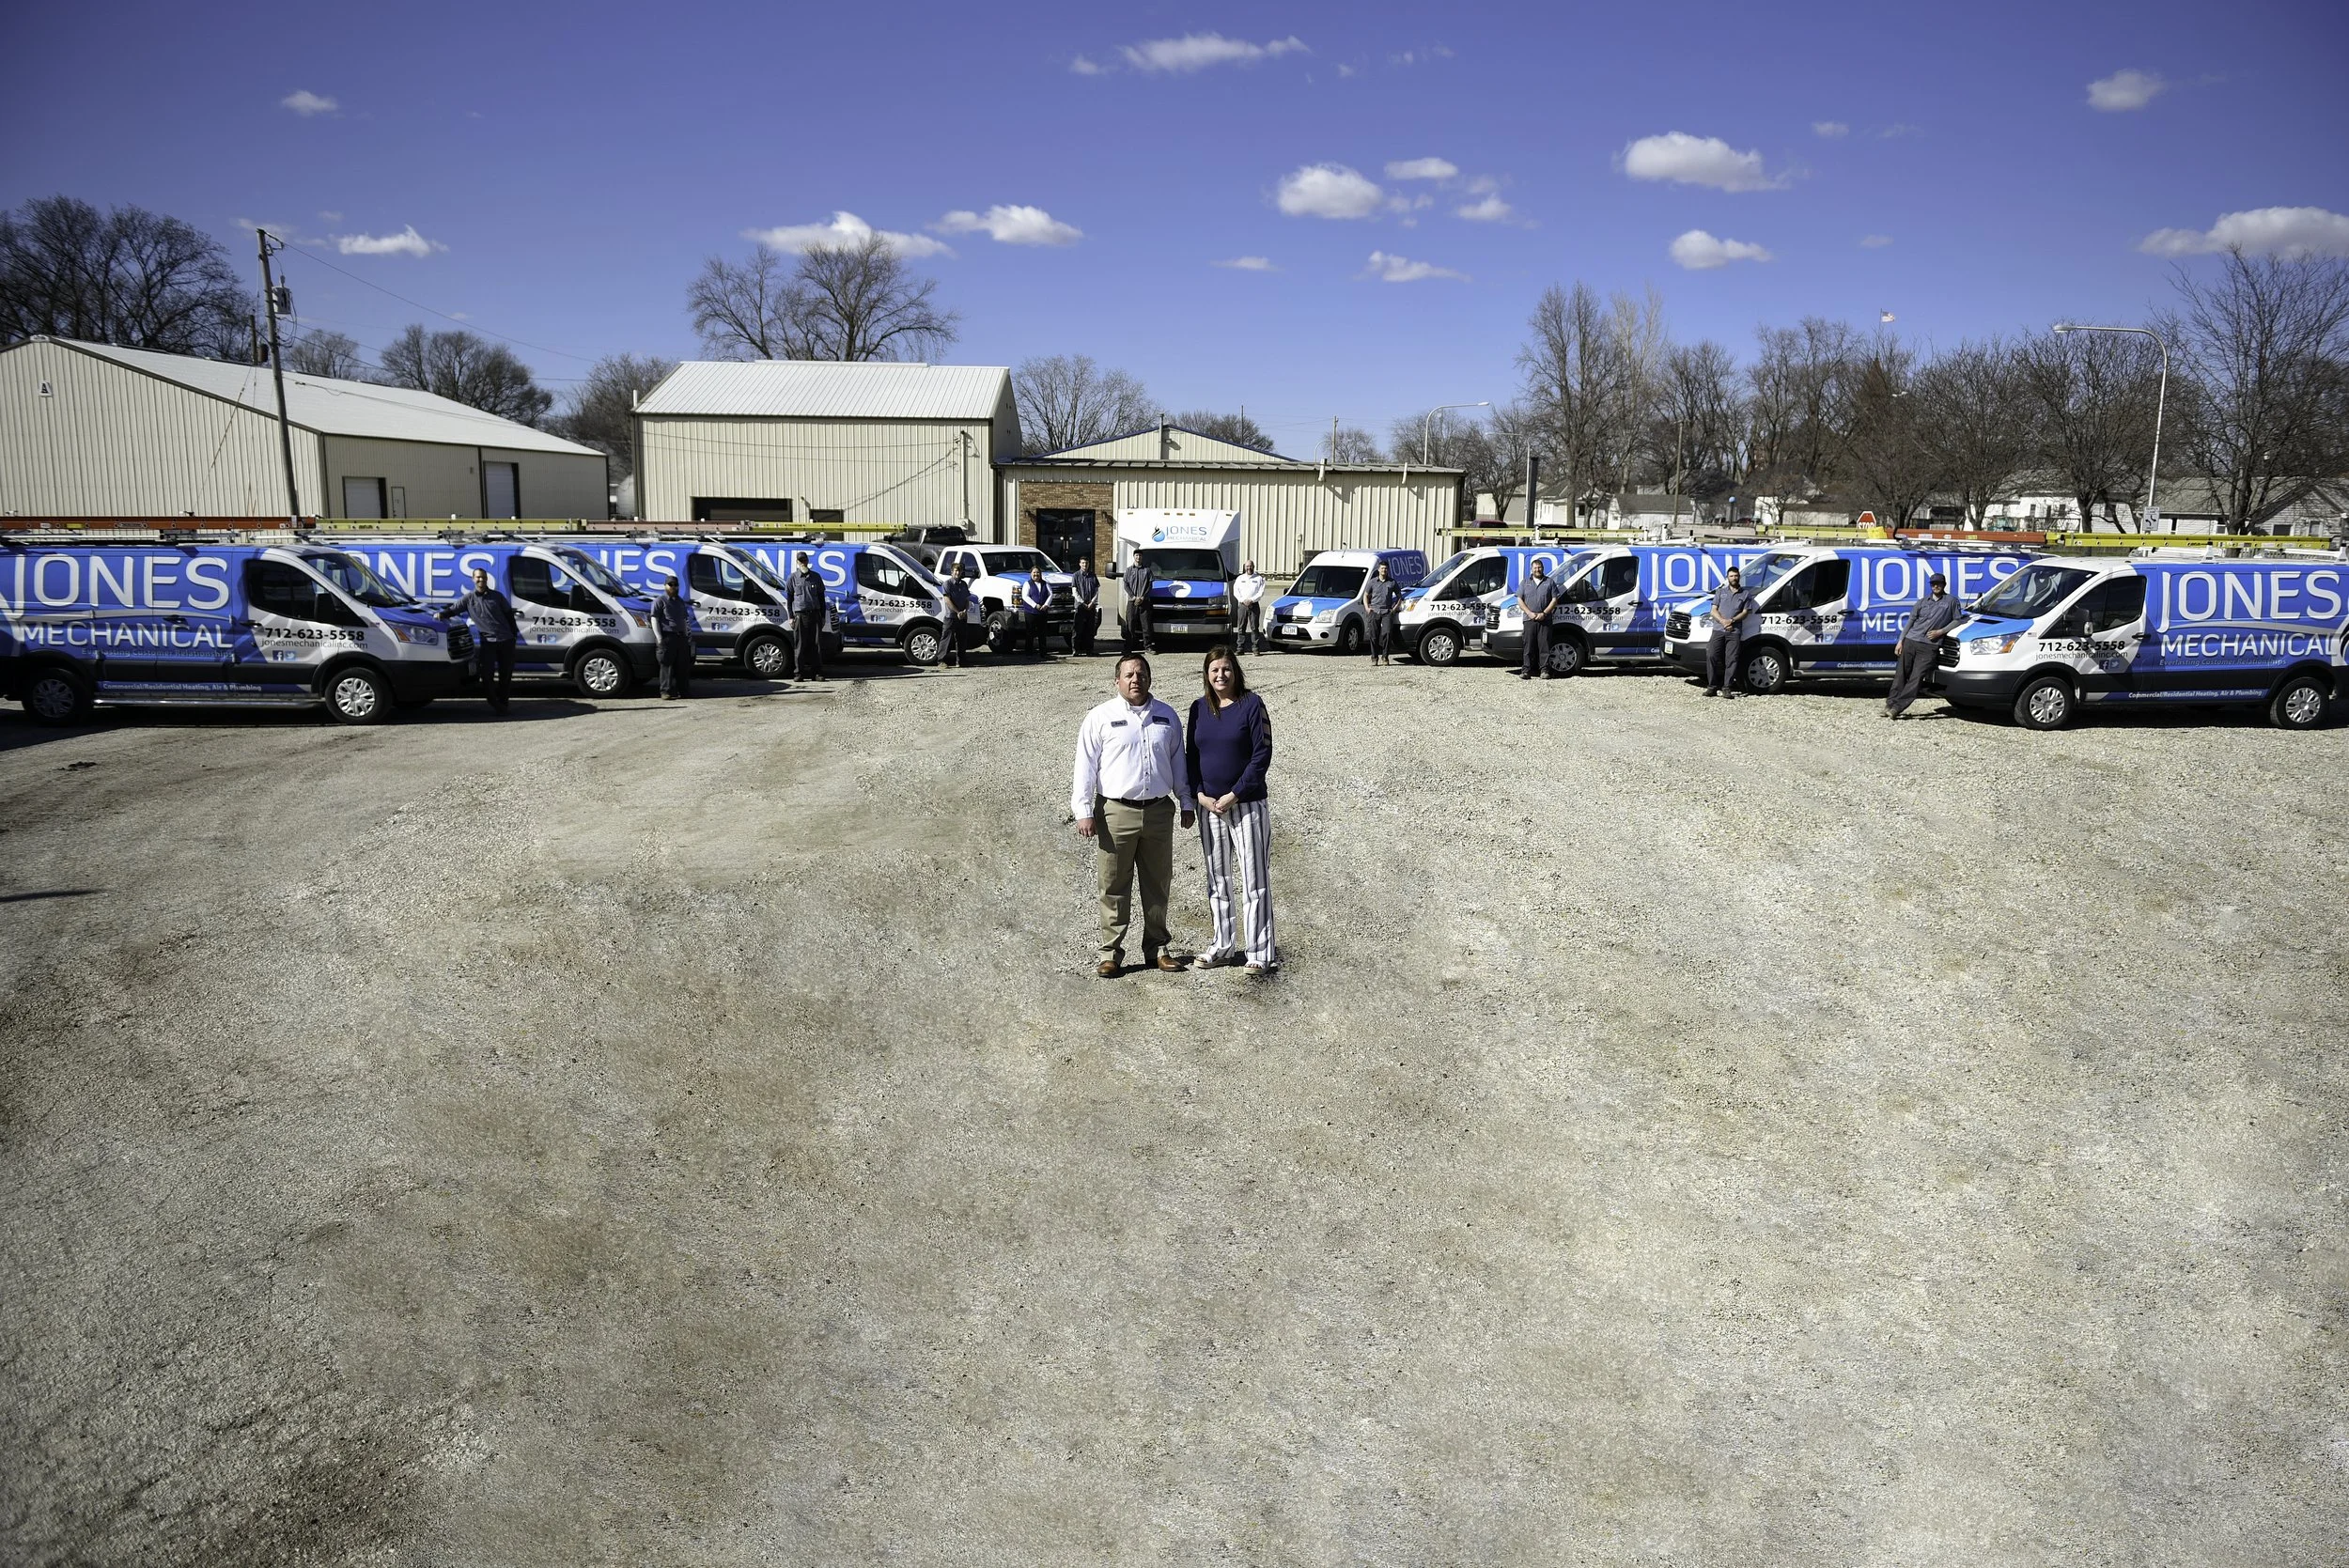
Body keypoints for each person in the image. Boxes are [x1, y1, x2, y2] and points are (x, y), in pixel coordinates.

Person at [1071, 654, 1195, 978]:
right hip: (1115, 813)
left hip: (1158, 812)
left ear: (1150, 677)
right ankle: (1111, 953)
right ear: (1117, 681)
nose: (1135, 679)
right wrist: (1083, 810)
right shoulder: (1100, 717)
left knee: (1158, 884)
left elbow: (1178, 762)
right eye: (1128, 674)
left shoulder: (1167, 716)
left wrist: (1186, 801)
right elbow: (1085, 766)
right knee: (1113, 884)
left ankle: (1158, 948)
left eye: (1141, 673)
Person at [1186, 645, 1276, 975]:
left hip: (1246, 805)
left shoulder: (1252, 705)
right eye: (1214, 670)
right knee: (1218, 879)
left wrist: (1235, 794)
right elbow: (1190, 758)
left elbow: (1261, 755)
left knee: (1255, 880)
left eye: (1226, 669)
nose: (1220, 675)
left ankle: (1260, 951)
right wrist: (1199, 795)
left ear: (1235, 672)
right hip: (1210, 808)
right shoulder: (1198, 709)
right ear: (1206, 676)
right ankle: (1223, 945)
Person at [439, 566, 519, 714]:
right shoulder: (469, 599)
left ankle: (503, 704)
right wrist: (441, 615)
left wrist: (513, 636)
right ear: (473, 579)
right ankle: (493, 701)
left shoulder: (497, 596)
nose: (481, 579)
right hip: (487, 642)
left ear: (487, 579)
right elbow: (453, 609)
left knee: (505, 675)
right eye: (478, 577)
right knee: (487, 674)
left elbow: (509, 616)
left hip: (505, 640)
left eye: (483, 577)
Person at [1888, 570, 1963, 719]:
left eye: (1939, 583)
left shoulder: (1952, 601)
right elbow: (1911, 621)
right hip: (1911, 641)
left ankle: (1897, 708)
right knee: (1900, 675)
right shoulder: (1922, 602)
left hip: (1929, 646)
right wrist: (1901, 640)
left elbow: (1957, 620)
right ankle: (1890, 704)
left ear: (1944, 584)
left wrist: (1941, 631)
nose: (1936, 586)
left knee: (1916, 678)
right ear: (1930, 585)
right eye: (1933, 583)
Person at [1704, 566, 1756, 698]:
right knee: (1711, 656)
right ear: (1727, 578)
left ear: (1739, 577)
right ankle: (1712, 687)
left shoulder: (1745, 594)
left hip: (1734, 631)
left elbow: (1745, 613)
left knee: (1732, 659)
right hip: (1718, 629)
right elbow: (1713, 610)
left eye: (1736, 576)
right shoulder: (1720, 592)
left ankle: (1727, 687)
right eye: (1732, 576)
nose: (1734, 578)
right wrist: (1723, 621)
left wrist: (1731, 621)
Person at [652, 574, 694, 699]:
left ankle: (684, 691)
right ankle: (665, 692)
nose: (673, 587)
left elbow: (684, 619)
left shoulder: (680, 601)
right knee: (667, 665)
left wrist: (687, 636)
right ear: (665, 586)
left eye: (675, 585)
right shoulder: (660, 601)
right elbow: (654, 619)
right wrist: (659, 638)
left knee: (682, 666)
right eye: (670, 585)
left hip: (681, 637)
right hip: (667, 636)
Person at [1517, 559, 1560, 680]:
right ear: (1531, 569)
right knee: (1528, 647)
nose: (1537, 570)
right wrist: (1529, 613)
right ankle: (1526, 671)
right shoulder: (1525, 582)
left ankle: (1544, 671)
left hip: (1545, 620)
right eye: (1535, 568)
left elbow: (1554, 600)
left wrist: (1544, 613)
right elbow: (1519, 600)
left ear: (1543, 568)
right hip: (1529, 619)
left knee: (1544, 646)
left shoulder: (1550, 582)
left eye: (1539, 567)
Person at [788, 552, 828, 681]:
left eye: (804, 560)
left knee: (816, 645)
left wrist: (823, 616)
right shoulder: (793, 578)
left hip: (815, 614)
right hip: (800, 616)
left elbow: (822, 598)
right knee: (800, 645)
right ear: (797, 562)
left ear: (808, 561)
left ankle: (817, 673)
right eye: (800, 561)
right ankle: (798, 673)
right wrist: (791, 616)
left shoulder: (816, 577)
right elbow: (789, 599)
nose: (803, 563)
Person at [1363, 560, 1404, 664]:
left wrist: (1394, 609)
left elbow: (1400, 597)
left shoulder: (1392, 582)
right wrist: (1367, 608)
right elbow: (1366, 595)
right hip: (1374, 610)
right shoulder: (1372, 582)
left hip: (1387, 611)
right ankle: (1374, 658)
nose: (1384, 570)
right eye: (1382, 568)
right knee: (1373, 635)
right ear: (1379, 569)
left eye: (1385, 568)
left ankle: (1385, 657)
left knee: (1387, 633)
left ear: (1388, 570)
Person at [938, 561, 972, 668]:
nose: (958, 573)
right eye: (956, 570)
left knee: (962, 639)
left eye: (959, 570)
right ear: (952, 572)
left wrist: (965, 611)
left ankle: (961, 661)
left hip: (962, 616)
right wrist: (957, 612)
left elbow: (967, 599)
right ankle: (941, 660)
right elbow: (947, 600)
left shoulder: (964, 584)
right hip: (951, 616)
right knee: (946, 638)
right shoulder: (947, 584)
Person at [1230, 560, 1267, 654]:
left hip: (1254, 605)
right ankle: (1240, 648)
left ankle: (1255, 648)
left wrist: (1251, 600)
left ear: (1253, 567)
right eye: (1247, 566)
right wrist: (1243, 600)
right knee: (1241, 627)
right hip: (1242, 605)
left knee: (1254, 627)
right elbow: (1236, 592)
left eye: (1250, 566)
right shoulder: (1240, 578)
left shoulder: (1259, 578)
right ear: (1244, 567)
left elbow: (1261, 592)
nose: (1248, 568)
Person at [1121, 555, 1154, 653]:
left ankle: (1148, 646)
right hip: (1132, 602)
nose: (1138, 557)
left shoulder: (1147, 570)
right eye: (1136, 555)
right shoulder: (1129, 570)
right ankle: (1129, 647)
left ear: (1142, 557)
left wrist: (1143, 596)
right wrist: (1133, 597)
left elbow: (1150, 585)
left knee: (1146, 625)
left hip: (1144, 602)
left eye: (1140, 556)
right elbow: (1126, 585)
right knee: (1130, 625)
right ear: (1134, 557)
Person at [1019, 566, 1054, 657]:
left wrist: (1046, 605)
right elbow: (1025, 596)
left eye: (1037, 572)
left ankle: (1043, 652)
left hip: (1042, 612)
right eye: (1034, 573)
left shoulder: (1045, 584)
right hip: (1031, 612)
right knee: (1030, 633)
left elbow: (1050, 594)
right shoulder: (1027, 584)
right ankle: (1029, 652)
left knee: (1042, 633)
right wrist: (1035, 605)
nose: (1036, 574)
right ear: (1031, 574)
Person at [1071, 556, 1101, 656]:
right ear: (1080, 564)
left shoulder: (1093, 576)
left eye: (1086, 563)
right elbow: (1074, 592)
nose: (1085, 565)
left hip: (1091, 606)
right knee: (1077, 629)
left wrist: (1092, 602)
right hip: (1080, 606)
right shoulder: (1075, 576)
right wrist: (1083, 603)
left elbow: (1096, 591)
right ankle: (1076, 649)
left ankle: (1089, 650)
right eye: (1083, 563)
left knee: (1090, 629)